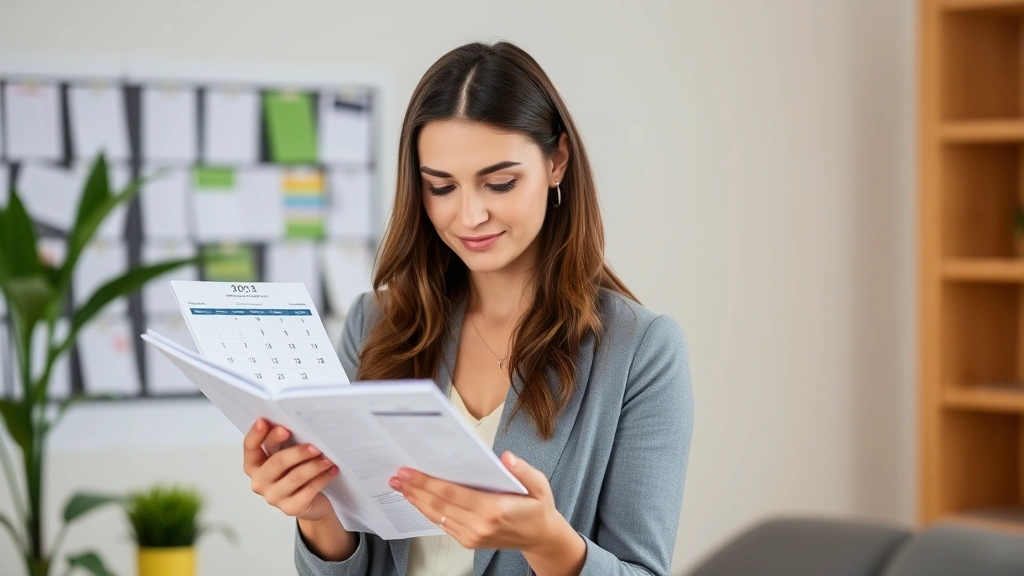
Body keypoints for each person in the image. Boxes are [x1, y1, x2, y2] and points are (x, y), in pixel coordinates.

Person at [242, 41, 694, 576]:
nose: (470, 215)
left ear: (557, 162)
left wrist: (548, 541)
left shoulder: (640, 351)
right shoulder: (375, 324)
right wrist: (319, 514)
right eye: (441, 187)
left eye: (499, 183)